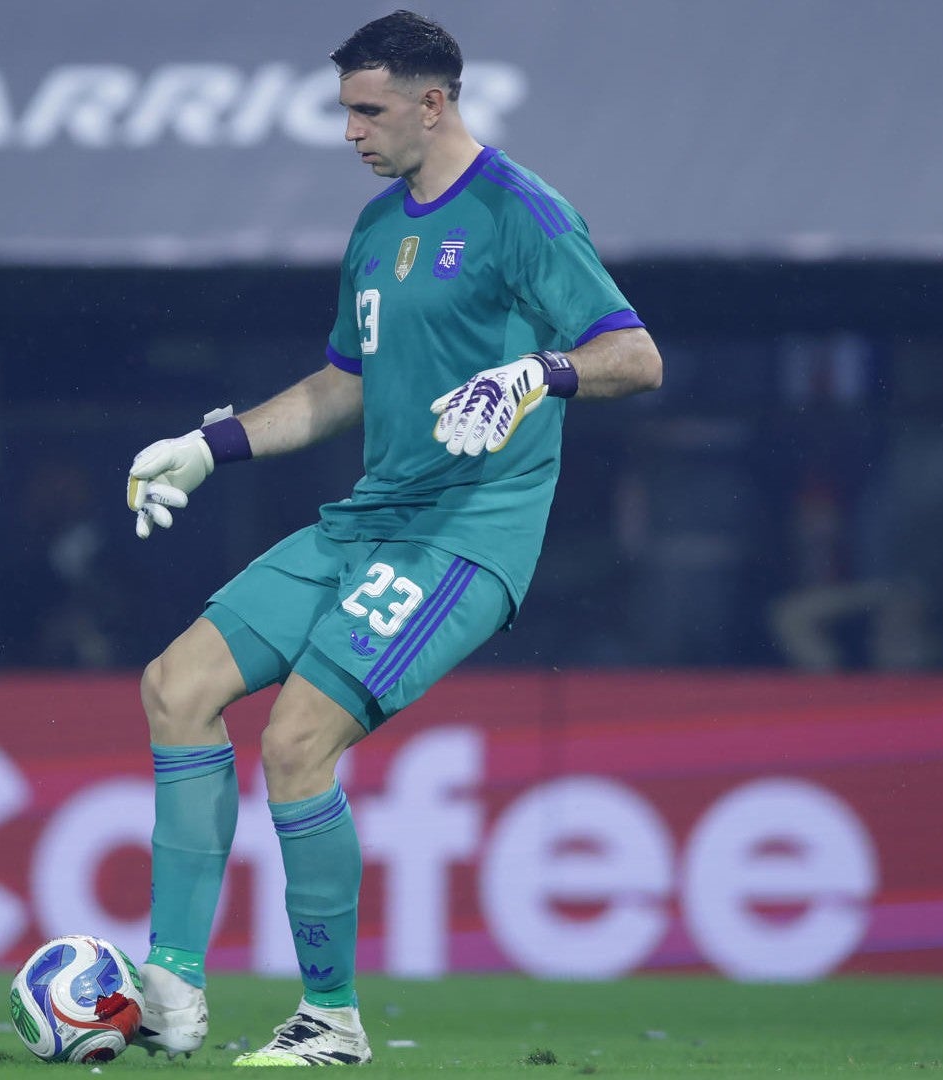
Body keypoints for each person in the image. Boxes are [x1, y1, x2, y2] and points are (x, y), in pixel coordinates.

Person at [124, 10, 663, 1067]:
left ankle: (331, 1019)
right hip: (370, 519)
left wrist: (538, 371)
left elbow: (636, 356)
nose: (350, 132)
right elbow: (342, 384)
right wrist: (209, 444)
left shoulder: (524, 212)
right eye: (344, 111)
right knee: (175, 685)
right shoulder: (378, 228)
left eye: (368, 111)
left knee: (294, 743)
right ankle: (171, 990)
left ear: (435, 101)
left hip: (464, 536)